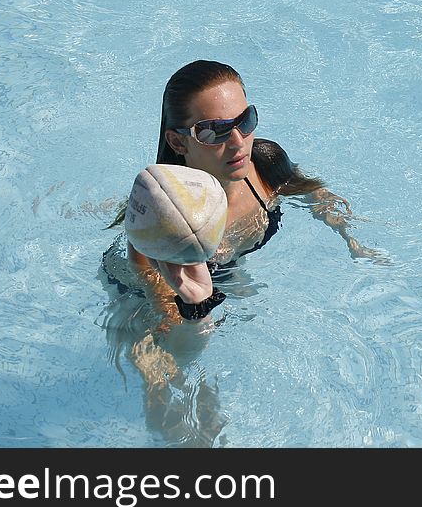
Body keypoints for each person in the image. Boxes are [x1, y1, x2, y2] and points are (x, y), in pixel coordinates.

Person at [100, 59, 382, 445]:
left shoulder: (264, 164)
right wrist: (188, 313)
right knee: (166, 387)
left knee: (216, 411)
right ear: (178, 142)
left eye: (244, 120)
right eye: (213, 131)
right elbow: (156, 292)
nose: (238, 142)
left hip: (223, 272)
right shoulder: (165, 221)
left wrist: (351, 237)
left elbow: (314, 191)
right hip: (146, 293)